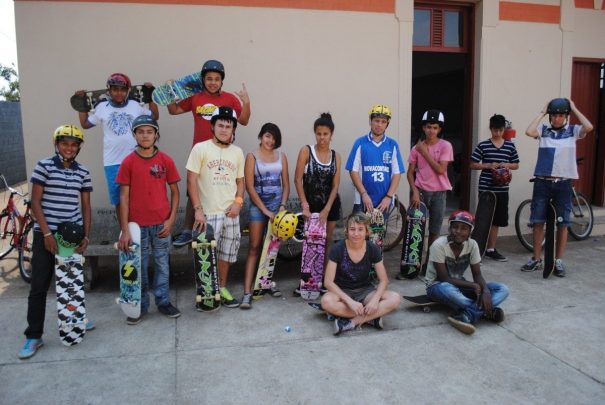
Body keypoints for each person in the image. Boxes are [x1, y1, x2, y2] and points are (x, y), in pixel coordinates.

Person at [18, 125, 93, 359]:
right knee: (40, 285)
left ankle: (76, 320)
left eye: (74, 144)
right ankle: (34, 335)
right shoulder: (44, 166)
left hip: (71, 236)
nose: (69, 148)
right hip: (46, 235)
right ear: (57, 145)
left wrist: (85, 235)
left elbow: (86, 206)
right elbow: (36, 203)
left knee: (72, 284)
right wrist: (47, 234)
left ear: (78, 147)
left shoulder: (83, 172)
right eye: (65, 144)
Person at [168, 60, 251, 247]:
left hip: (224, 153)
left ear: (222, 81)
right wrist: (171, 92)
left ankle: (222, 232)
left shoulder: (230, 99)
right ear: (203, 80)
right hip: (201, 153)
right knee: (193, 192)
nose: (212, 82)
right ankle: (188, 231)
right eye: (209, 79)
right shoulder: (196, 97)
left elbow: (244, 120)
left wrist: (246, 102)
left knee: (223, 191)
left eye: (216, 79)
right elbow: (173, 110)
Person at [116, 115, 181, 324]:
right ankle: (140, 305)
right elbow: (123, 197)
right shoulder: (128, 162)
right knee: (140, 267)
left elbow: (175, 191)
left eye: (149, 131)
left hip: (162, 224)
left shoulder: (166, 160)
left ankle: (163, 302)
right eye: (141, 131)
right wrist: (125, 230)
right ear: (134, 134)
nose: (145, 135)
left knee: (163, 265)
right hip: (137, 227)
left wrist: (171, 220)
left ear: (156, 135)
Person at [522, 98, 593, 277]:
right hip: (543, 182)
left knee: (563, 223)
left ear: (566, 117)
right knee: (538, 221)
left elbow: (589, 127)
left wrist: (574, 108)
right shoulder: (543, 130)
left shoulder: (573, 131)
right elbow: (528, 131)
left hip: (563, 183)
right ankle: (536, 259)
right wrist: (542, 112)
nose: (557, 119)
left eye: (561, 115)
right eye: (554, 115)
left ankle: (558, 260)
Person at [75, 73, 158, 224]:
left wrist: (150, 95)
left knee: (139, 197)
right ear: (109, 91)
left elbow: (154, 116)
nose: (118, 93)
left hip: (136, 159)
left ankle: (140, 230)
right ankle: (124, 232)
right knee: (119, 200)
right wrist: (82, 104)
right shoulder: (101, 108)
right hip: (112, 162)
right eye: (115, 89)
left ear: (127, 91)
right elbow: (85, 124)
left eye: (122, 89)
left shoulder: (134, 105)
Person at [186, 106, 245, 310]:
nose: (224, 129)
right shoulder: (200, 149)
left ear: (233, 130)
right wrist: (197, 209)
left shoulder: (237, 152)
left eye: (228, 126)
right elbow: (191, 181)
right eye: (220, 124)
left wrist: (238, 203)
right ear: (212, 126)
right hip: (208, 213)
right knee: (204, 255)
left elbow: (241, 182)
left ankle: (222, 288)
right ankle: (206, 293)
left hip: (230, 213)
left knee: (226, 254)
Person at [425, 210, 509, 335]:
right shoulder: (439, 245)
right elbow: (444, 278)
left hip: (460, 285)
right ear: (449, 228)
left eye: (464, 228)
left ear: (470, 231)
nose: (458, 231)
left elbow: (477, 275)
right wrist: (473, 286)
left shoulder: (472, 245)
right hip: (437, 286)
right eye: (455, 227)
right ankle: (487, 311)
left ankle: (468, 314)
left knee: (503, 289)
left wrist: (485, 291)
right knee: (451, 292)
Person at [321, 213, 401, 336]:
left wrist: (374, 301)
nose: (356, 234)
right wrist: (349, 301)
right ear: (346, 231)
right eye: (352, 229)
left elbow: (384, 280)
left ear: (367, 231)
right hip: (343, 291)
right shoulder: (337, 248)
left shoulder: (372, 249)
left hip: (365, 290)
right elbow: (328, 282)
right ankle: (372, 317)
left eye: (360, 229)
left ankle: (351, 322)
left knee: (395, 298)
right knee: (326, 302)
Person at [399, 109, 453, 279]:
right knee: (415, 229)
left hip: (439, 193)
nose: (431, 131)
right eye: (428, 127)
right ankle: (411, 266)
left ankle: (429, 266)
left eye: (435, 127)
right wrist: (414, 191)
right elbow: (410, 172)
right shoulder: (416, 148)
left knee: (435, 231)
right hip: (420, 192)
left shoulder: (445, 146)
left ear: (440, 129)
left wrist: (425, 152)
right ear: (423, 128)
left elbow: (440, 169)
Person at [241, 123, 290, 309]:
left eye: (274, 138)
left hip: (277, 207)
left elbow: (285, 184)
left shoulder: (281, 157)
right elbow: (249, 187)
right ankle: (247, 293)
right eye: (268, 136)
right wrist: (265, 210)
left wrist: (282, 206)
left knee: (271, 247)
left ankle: (264, 283)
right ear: (261, 136)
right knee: (254, 246)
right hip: (258, 207)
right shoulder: (252, 157)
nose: (270, 141)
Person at [294, 112, 342, 274]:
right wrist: (305, 205)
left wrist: (327, 210)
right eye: (319, 134)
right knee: (311, 241)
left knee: (327, 240)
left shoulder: (336, 156)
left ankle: (325, 277)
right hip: (311, 205)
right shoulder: (306, 151)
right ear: (315, 134)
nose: (322, 138)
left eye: (326, 134)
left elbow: (335, 186)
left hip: (330, 204)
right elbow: (297, 179)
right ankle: (308, 278)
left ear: (331, 135)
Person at [470, 114, 520, 262]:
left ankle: (491, 248)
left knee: (497, 220)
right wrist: (488, 165)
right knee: (483, 218)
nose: (497, 133)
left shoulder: (510, 146)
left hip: (502, 188)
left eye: (500, 130)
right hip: (486, 187)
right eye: (494, 130)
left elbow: (516, 164)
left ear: (504, 129)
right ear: (490, 129)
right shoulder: (483, 145)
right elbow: (472, 164)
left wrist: (506, 165)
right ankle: (478, 247)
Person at [345, 104, 405, 217]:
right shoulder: (360, 143)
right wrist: (364, 194)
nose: (379, 124)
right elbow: (353, 171)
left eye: (383, 122)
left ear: (387, 124)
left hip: (384, 202)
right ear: (370, 121)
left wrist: (388, 197)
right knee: (359, 233)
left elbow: (397, 174)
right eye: (376, 120)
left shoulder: (392, 145)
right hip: (363, 200)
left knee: (379, 234)